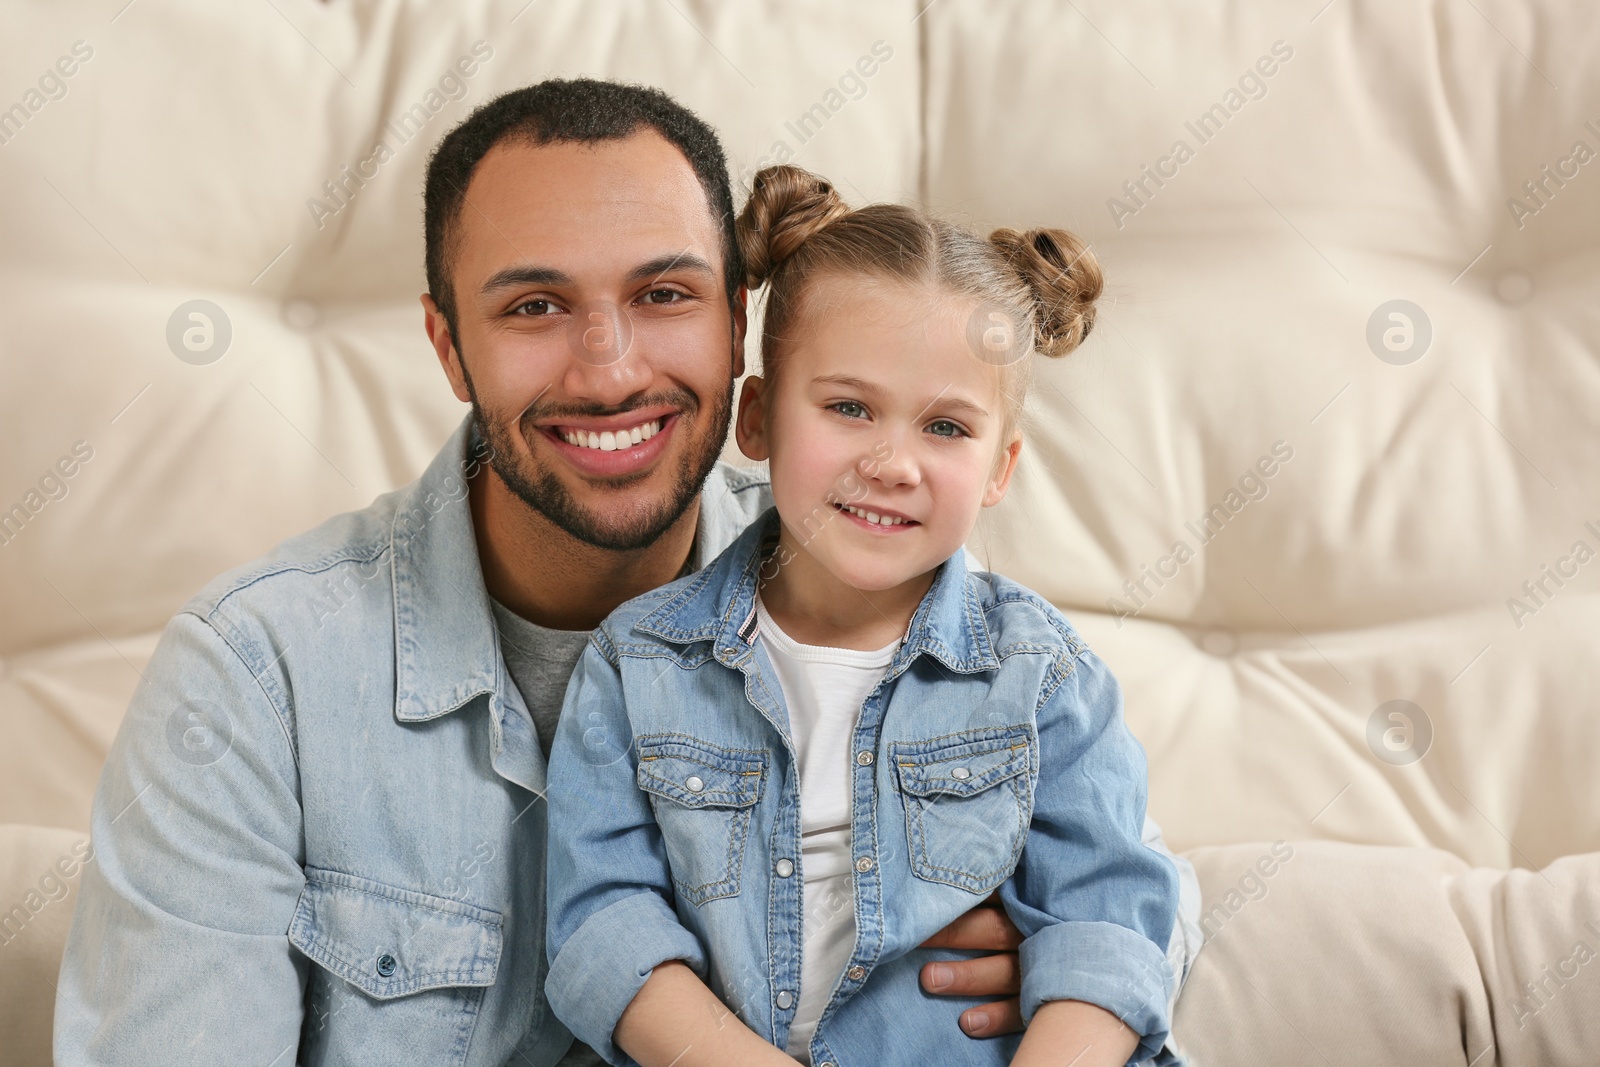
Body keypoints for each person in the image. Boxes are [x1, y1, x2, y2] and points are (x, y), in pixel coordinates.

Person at [54, 80, 1197, 1066]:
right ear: (448, 342)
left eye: (663, 295)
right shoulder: (255, 678)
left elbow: (1122, 872)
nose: (608, 370)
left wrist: (1018, 947)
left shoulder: (890, 569)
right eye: (535, 305)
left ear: (739, 327)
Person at [543, 165, 1187, 1067]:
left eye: (947, 428)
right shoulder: (639, 661)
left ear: (1002, 467)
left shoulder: (1041, 674)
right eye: (849, 407)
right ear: (758, 418)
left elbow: (1108, 927)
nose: (892, 463)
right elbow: (604, 931)